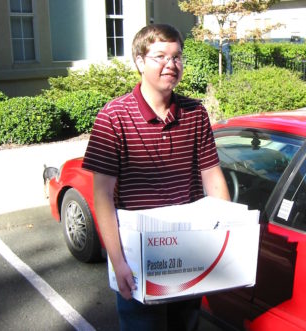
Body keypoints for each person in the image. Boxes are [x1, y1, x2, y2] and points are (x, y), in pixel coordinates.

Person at [82, 24, 230, 331]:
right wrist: (118, 261)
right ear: (139, 61)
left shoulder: (195, 113)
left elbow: (212, 177)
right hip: (138, 261)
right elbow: (102, 197)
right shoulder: (113, 117)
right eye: (160, 56)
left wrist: (224, 240)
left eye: (176, 57)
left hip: (188, 255)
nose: (171, 65)